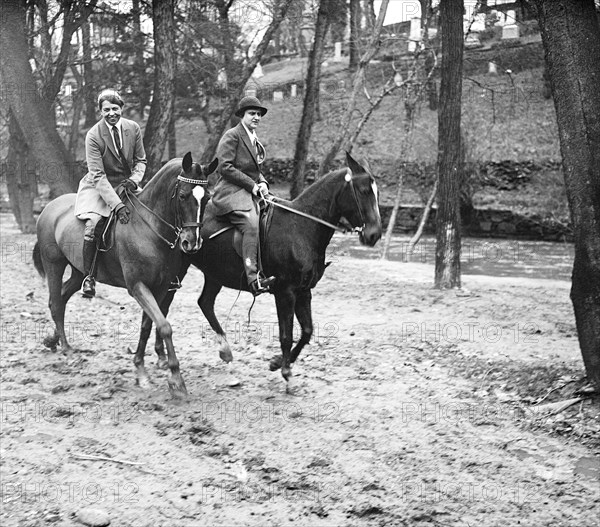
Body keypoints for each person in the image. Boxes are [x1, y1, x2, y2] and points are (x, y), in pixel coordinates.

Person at [74, 89, 147, 298]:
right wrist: (117, 205)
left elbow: (141, 160)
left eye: (115, 108)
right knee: (94, 223)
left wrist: (134, 181)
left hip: (126, 183)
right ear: (100, 112)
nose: (111, 113)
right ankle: (89, 277)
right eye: (106, 110)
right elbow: (97, 175)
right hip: (99, 186)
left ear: (122, 108)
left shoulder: (133, 128)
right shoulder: (94, 136)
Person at [212, 96, 276, 296]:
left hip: (250, 190)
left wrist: (263, 183)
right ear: (242, 116)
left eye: (258, 114)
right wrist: (252, 185)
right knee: (251, 224)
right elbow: (225, 167)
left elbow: (254, 170)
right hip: (230, 192)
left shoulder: (253, 138)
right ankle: (253, 278)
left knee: (276, 212)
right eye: (252, 114)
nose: (256, 117)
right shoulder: (232, 136)